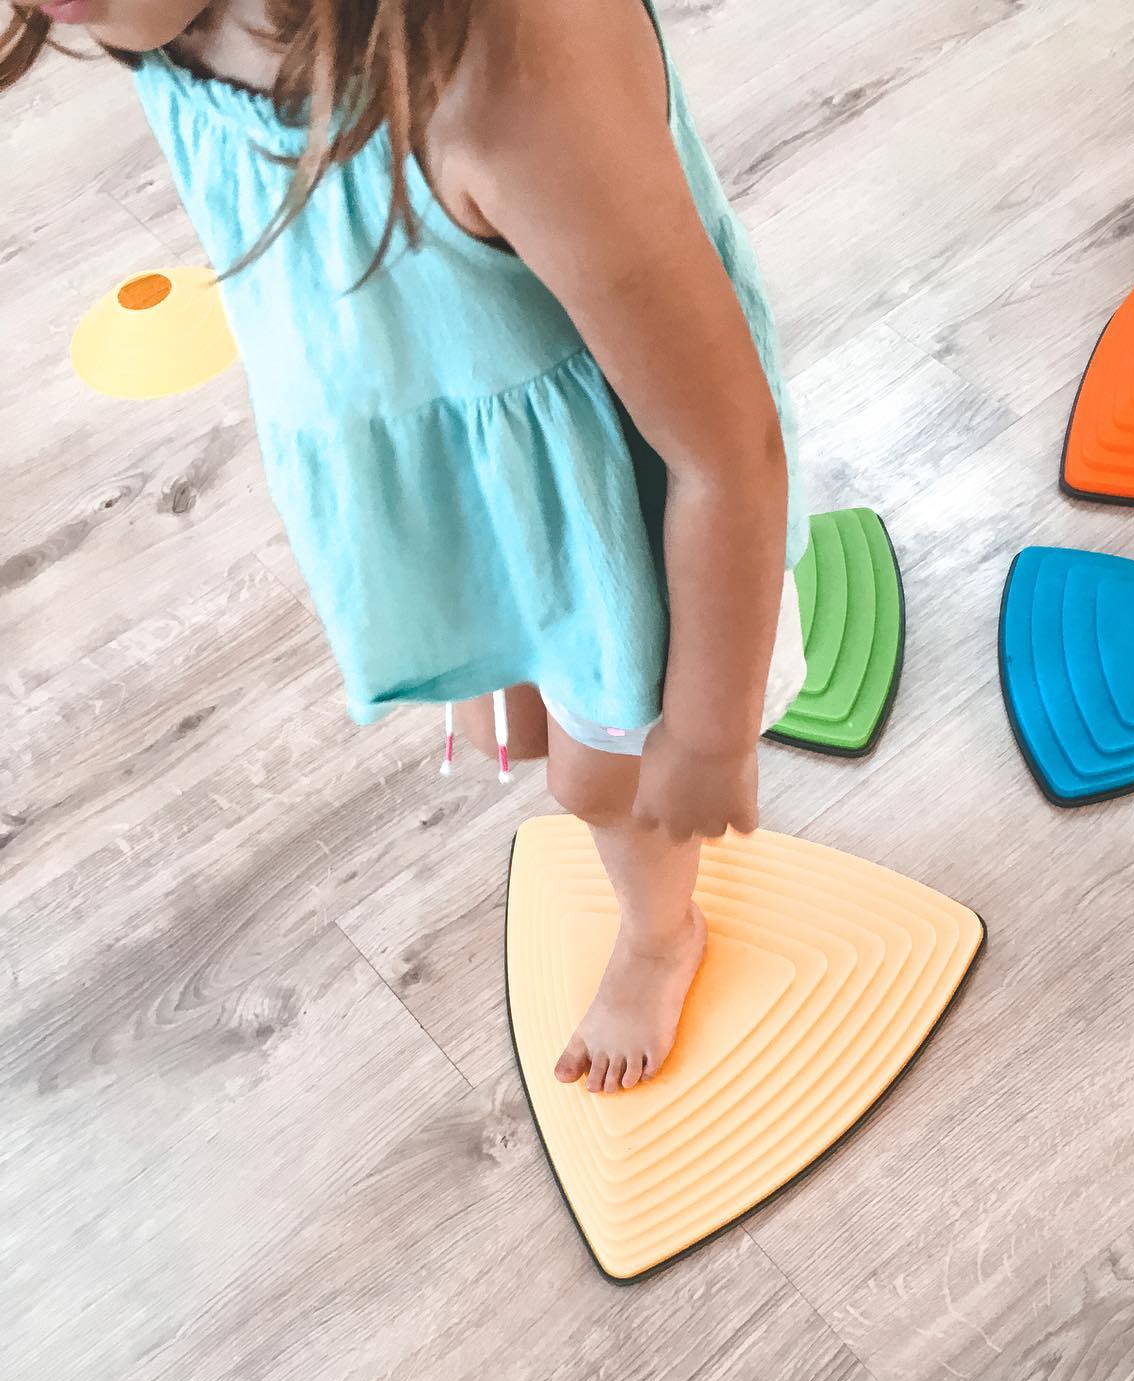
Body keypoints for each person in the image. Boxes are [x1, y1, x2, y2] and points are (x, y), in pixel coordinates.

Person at [2, 0, 808, 1092]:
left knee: (600, 784)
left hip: (618, 523)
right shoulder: (152, 15)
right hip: (481, 482)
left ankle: (663, 935)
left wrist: (710, 740)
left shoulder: (512, 74)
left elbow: (726, 451)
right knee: (544, 723)